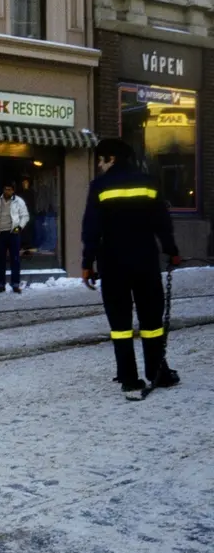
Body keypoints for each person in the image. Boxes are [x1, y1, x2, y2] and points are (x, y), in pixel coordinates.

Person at [81, 138, 181, 400]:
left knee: (120, 323)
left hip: (112, 264)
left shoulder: (100, 187)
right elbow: (162, 222)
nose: (99, 165)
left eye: (101, 160)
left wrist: (86, 263)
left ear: (111, 159)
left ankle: (128, 377)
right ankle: (157, 371)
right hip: (145, 262)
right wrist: (172, 250)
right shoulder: (148, 184)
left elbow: (91, 229)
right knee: (151, 321)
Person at [0, 181, 31, 293]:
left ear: (13, 190)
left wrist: (19, 227)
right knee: (0, 260)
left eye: (10, 189)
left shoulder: (18, 201)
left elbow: (25, 216)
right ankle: (1, 285)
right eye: (5, 189)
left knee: (15, 259)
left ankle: (15, 284)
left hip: (13, 233)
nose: (7, 191)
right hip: (0, 233)